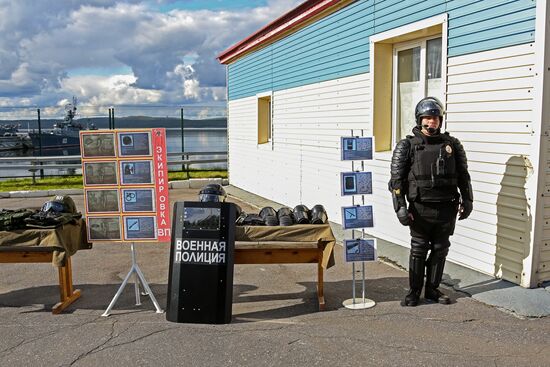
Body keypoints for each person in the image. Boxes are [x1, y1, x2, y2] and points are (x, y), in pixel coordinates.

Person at [388, 97, 473, 306]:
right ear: (419, 119)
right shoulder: (406, 146)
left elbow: (463, 175)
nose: (431, 122)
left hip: (447, 208)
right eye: (427, 118)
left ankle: (433, 290)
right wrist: (400, 207)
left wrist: (468, 200)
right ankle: (414, 292)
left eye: (435, 118)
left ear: (440, 120)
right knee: (418, 249)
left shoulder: (452, 145)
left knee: (440, 248)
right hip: (419, 209)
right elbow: (396, 181)